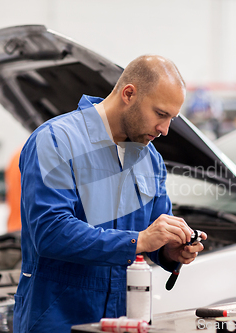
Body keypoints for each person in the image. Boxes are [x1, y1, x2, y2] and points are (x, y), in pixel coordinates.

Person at [13, 55, 206, 332]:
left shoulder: (149, 158)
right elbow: (50, 232)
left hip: (124, 320)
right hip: (57, 318)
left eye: (171, 119)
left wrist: (171, 250)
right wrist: (138, 241)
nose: (164, 130)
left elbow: (153, 233)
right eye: (161, 114)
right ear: (129, 94)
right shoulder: (56, 141)